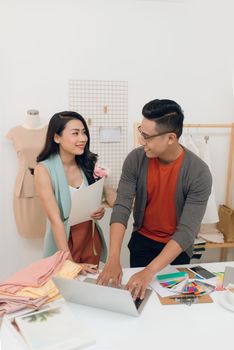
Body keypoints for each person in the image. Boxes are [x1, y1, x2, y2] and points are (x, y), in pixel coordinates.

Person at [97, 99, 212, 299]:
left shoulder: (199, 172)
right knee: (139, 301)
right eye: (142, 132)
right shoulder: (135, 159)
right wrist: (113, 257)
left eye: (147, 136)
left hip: (177, 251)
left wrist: (150, 271)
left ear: (170, 138)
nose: (142, 141)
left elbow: (187, 231)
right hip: (142, 243)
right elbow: (122, 206)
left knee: (170, 306)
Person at [35, 111, 107, 274]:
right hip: (64, 242)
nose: (83, 138)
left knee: (89, 291)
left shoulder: (86, 164)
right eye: (75, 133)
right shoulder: (44, 170)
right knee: (63, 291)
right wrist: (69, 262)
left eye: (83, 132)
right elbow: (55, 221)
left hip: (90, 239)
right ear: (57, 137)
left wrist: (98, 211)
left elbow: (88, 202)